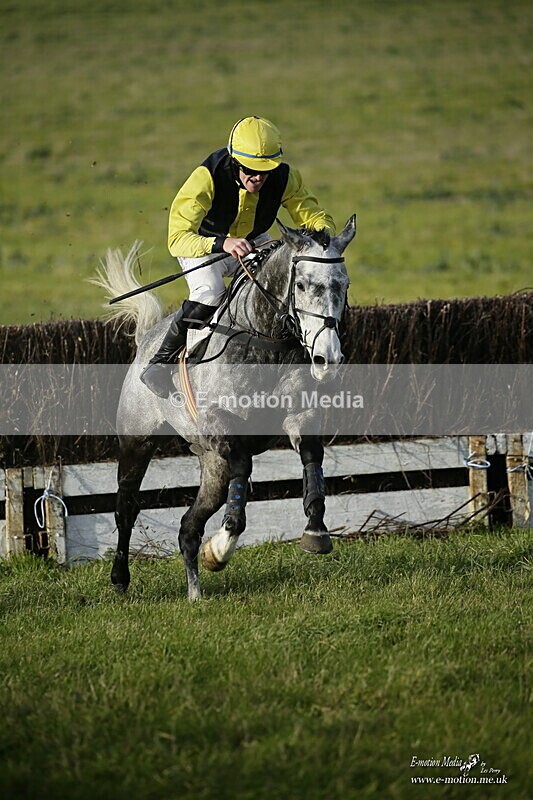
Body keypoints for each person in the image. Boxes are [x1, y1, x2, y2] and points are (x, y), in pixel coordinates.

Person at [140, 115, 336, 398]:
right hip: (203, 244)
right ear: (235, 162)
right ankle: (159, 364)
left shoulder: (285, 176)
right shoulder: (206, 177)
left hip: (254, 240)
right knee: (210, 292)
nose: (258, 178)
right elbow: (177, 238)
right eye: (251, 171)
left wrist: (322, 237)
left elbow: (314, 215)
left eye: (265, 171)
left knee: (282, 286)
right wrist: (223, 243)